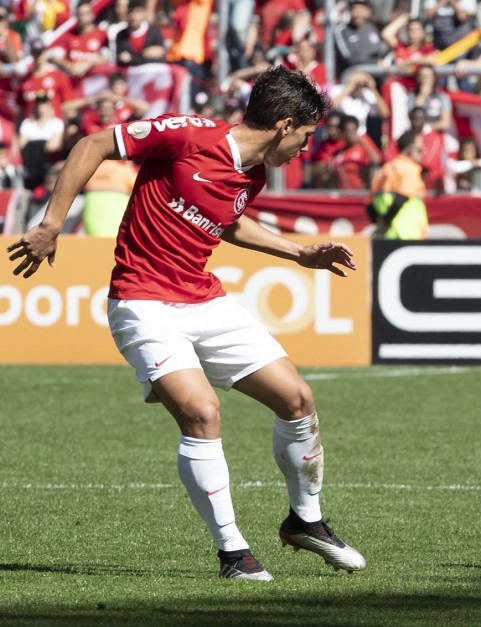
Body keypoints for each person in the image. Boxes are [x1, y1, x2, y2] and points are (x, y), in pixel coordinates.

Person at [6, 66, 366, 581]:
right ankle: (233, 552)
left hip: (201, 297)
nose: (306, 149)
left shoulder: (254, 174)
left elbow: (230, 221)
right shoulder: (190, 134)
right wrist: (51, 223)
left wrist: (299, 253)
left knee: (298, 400)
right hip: (142, 300)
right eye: (307, 136)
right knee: (202, 413)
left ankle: (305, 520)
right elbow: (92, 144)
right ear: (285, 124)